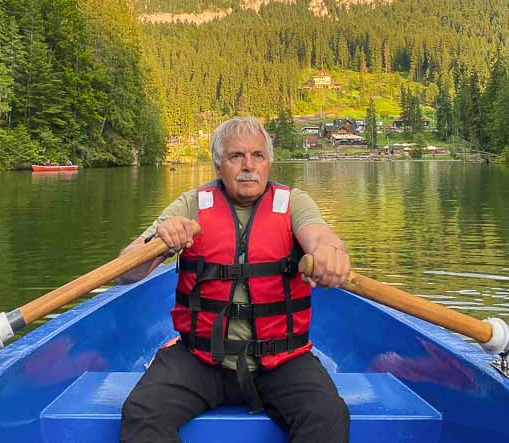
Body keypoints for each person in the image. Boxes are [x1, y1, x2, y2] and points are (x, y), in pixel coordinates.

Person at [118, 116, 351, 443]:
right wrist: (160, 238)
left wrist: (330, 252)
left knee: (328, 416)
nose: (248, 166)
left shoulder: (294, 203)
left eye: (258, 156)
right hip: (200, 359)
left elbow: (321, 236)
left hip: (283, 360)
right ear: (218, 165)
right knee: (142, 413)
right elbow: (127, 269)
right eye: (236, 156)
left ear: (269, 162)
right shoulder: (191, 204)